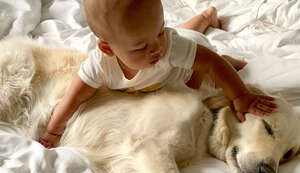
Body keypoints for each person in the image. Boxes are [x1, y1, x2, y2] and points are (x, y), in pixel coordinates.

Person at [38, 0, 276, 148]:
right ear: (108, 48)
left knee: (202, 60)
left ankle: (213, 32)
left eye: (159, 30)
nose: (156, 48)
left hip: (187, 71)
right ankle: (206, 17)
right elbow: (73, 98)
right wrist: (53, 130)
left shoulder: (168, 46)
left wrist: (241, 96)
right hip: (177, 55)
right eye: (141, 46)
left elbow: (211, 63)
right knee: (180, 37)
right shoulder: (100, 65)